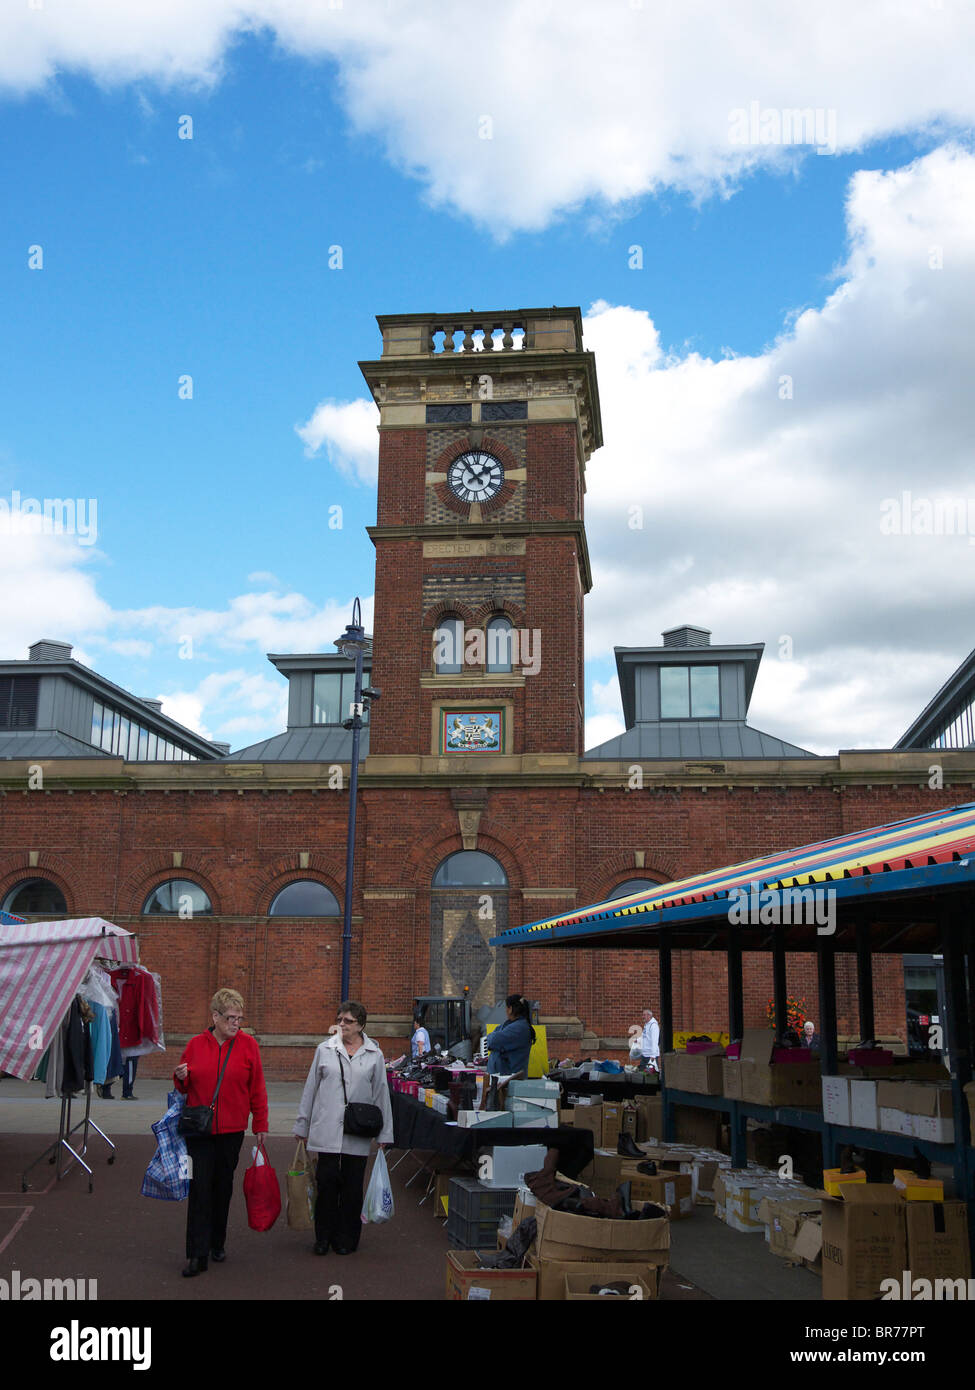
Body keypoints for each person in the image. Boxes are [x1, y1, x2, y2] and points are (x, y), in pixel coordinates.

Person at [173, 988, 268, 1278]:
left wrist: (261, 1124)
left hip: (232, 1131)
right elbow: (184, 1087)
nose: (236, 1023)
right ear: (215, 1016)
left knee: (222, 1188)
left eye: (239, 1018)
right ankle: (196, 1253)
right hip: (199, 1131)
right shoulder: (195, 1044)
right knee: (200, 1188)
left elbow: (257, 1087)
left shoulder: (248, 1045)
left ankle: (217, 1241)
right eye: (230, 1018)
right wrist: (180, 1079)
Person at [294, 1000, 394, 1256]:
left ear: (361, 1025)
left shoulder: (375, 1054)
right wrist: (302, 1125)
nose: (341, 1025)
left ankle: (347, 1238)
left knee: (351, 1187)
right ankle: (323, 1237)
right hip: (326, 1127)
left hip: (357, 1130)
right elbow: (310, 1089)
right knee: (326, 1184)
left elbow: (382, 1094)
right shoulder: (324, 1050)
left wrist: (385, 1134)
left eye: (348, 1021)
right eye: (339, 1019)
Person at [483, 994, 536, 1076]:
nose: (505, 1010)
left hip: (508, 1079)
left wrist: (492, 1036)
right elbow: (495, 1035)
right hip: (503, 1077)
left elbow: (492, 1041)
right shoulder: (514, 1025)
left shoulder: (518, 1028)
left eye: (506, 1007)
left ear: (510, 1009)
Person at [639, 1008, 660, 1072]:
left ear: (649, 1016)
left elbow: (655, 1041)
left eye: (644, 1015)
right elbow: (645, 1037)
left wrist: (653, 1056)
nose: (643, 1017)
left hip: (650, 1056)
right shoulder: (647, 1024)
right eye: (643, 1015)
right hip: (645, 1054)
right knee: (642, 1073)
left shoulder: (653, 1026)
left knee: (650, 1076)